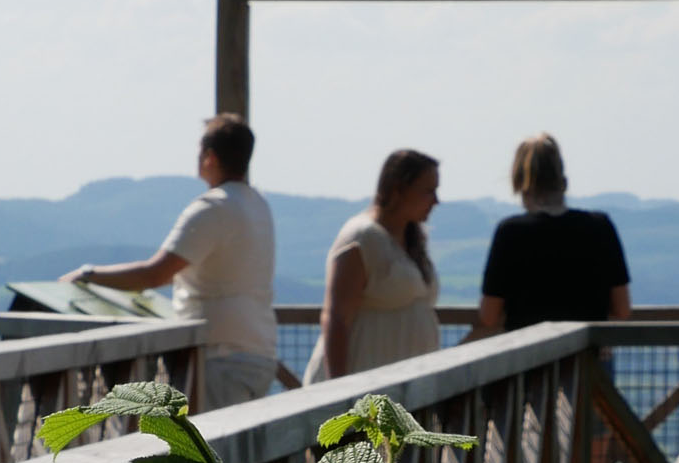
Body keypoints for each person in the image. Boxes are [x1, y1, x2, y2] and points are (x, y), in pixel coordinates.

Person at [63, 113, 276, 409]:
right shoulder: (259, 205)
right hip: (258, 350)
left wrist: (89, 274)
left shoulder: (212, 208)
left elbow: (154, 274)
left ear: (210, 157)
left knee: (208, 439)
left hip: (218, 356)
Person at [306, 151, 443, 382]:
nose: (436, 201)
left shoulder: (412, 240)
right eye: (428, 191)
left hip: (399, 385)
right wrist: (339, 388)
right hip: (361, 380)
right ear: (398, 190)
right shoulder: (362, 237)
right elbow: (336, 318)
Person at [473, 133, 631, 334]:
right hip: (587, 350)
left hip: (528, 348)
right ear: (563, 182)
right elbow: (622, 309)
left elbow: (489, 315)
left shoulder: (510, 232)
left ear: (520, 183)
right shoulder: (600, 226)